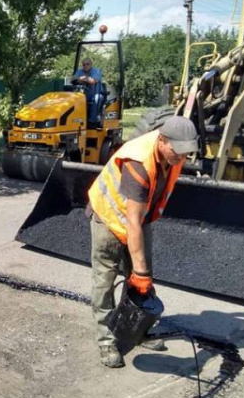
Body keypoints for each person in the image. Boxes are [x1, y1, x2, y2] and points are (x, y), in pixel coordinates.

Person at [87, 116, 199, 368]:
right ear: (162, 140)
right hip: (109, 218)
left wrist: (141, 273)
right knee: (105, 281)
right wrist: (139, 270)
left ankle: (137, 331)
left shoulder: (175, 153)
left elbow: (140, 219)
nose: (181, 158)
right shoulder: (138, 161)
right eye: (177, 152)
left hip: (140, 219)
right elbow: (131, 221)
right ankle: (106, 340)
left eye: (185, 153)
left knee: (142, 281)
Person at [72, 58, 103, 125]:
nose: (85, 66)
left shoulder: (96, 71)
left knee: (97, 99)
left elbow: (92, 81)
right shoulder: (79, 71)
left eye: (87, 64)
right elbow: (73, 79)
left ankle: (92, 121)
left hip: (95, 93)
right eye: (83, 64)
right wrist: (84, 78)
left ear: (91, 64)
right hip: (84, 94)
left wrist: (81, 78)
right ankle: (76, 120)